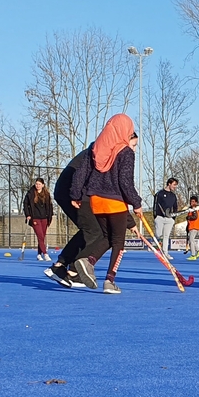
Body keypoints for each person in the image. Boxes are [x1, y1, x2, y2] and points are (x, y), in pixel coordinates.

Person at [45, 146, 138, 288]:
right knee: (96, 232)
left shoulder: (104, 146)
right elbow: (117, 188)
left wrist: (129, 221)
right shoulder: (110, 150)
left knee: (91, 230)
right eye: (134, 144)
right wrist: (130, 219)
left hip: (71, 191)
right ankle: (65, 267)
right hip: (76, 193)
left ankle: (69, 270)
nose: (134, 149)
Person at [70, 113, 143, 295]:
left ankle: (88, 261)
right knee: (118, 242)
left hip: (95, 200)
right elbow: (125, 182)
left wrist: (75, 194)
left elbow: (80, 173)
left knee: (106, 237)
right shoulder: (126, 152)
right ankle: (109, 280)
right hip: (114, 201)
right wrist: (137, 203)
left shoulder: (97, 147)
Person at [23, 178, 54, 261]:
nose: (37, 185)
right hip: (35, 218)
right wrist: (28, 214)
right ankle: (45, 254)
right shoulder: (30, 193)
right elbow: (25, 204)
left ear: (43, 185)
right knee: (40, 236)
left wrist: (50, 216)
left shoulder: (46, 194)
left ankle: (39, 254)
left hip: (44, 218)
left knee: (42, 237)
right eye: (36, 184)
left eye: (39, 184)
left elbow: (50, 206)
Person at [154, 178, 179, 260]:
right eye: (174, 184)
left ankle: (165, 253)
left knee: (166, 236)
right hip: (159, 218)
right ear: (169, 184)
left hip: (169, 219)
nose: (175, 187)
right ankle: (155, 244)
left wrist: (173, 218)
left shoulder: (173, 195)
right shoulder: (159, 194)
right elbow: (155, 205)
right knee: (158, 234)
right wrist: (155, 216)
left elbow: (175, 207)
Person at [186, 195, 199, 261]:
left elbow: (195, 217)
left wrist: (188, 218)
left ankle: (194, 254)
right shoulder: (191, 209)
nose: (192, 203)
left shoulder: (194, 209)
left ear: (196, 202)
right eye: (191, 201)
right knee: (192, 240)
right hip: (192, 227)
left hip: (194, 227)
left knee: (191, 240)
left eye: (193, 201)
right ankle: (198, 250)